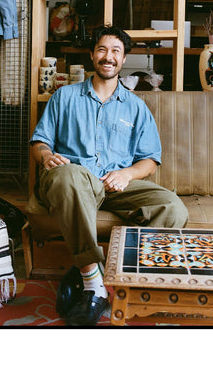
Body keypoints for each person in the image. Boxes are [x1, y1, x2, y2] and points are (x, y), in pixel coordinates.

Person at [30, 24, 188, 326]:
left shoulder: (137, 107)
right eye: (102, 49)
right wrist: (47, 156)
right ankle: (93, 283)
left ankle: (126, 278)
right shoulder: (64, 97)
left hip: (114, 187)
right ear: (92, 55)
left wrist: (127, 174)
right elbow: (40, 143)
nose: (108, 56)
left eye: (116, 51)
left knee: (172, 207)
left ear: (124, 59)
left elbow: (151, 161)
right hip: (71, 180)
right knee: (70, 176)